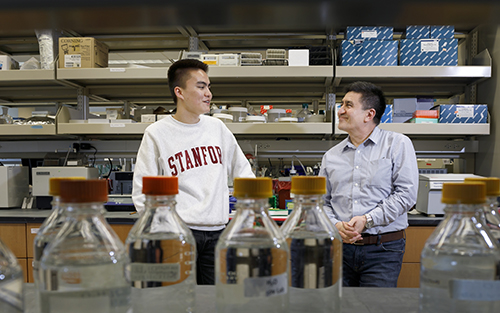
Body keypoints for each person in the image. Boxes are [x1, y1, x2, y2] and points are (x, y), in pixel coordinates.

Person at [132, 59, 255, 285]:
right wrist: (162, 231)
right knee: (176, 300)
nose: (208, 93)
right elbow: (142, 191)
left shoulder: (217, 128)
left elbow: (244, 174)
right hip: (178, 233)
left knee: (214, 301)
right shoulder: (156, 133)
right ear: (179, 92)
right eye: (201, 87)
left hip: (218, 231)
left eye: (209, 87)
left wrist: (249, 215)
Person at [319, 81, 418, 287]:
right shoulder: (331, 156)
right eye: (341, 104)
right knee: (337, 306)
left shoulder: (398, 144)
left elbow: (406, 194)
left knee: (374, 307)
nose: (340, 110)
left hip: (383, 249)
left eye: (348, 105)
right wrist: (336, 225)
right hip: (340, 248)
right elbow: (321, 202)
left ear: (369, 114)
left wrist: (368, 220)